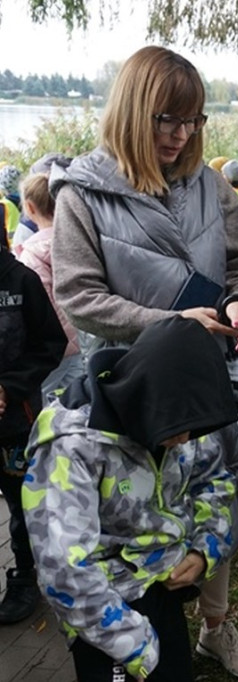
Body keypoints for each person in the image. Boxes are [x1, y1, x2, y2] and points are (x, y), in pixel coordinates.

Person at [49, 45, 238, 678]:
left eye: (194, 121)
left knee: (215, 496)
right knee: (133, 518)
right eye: (166, 120)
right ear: (130, 112)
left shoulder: (211, 188)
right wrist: (167, 322)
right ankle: (126, 641)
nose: (181, 135)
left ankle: (213, 625)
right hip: (131, 390)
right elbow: (79, 297)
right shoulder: (82, 194)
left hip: (210, 376)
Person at [22, 317, 238, 681]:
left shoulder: (182, 413)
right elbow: (64, 569)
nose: (186, 439)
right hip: (102, 604)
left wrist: (204, 550)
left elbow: (215, 481)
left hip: (163, 582)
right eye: (177, 430)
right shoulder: (71, 445)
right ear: (145, 399)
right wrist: (136, 645)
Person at [0, 229, 66, 625]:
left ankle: (26, 576)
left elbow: (51, 344)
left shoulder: (22, 281)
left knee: (23, 503)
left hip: (15, 424)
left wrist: (9, 386)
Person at [17, 171, 83, 398]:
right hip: (82, 342)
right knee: (79, 404)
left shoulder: (31, 256)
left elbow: (39, 310)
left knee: (44, 409)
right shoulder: (80, 241)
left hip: (52, 352)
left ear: (29, 207)